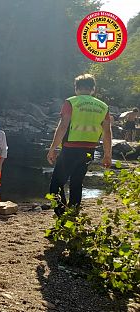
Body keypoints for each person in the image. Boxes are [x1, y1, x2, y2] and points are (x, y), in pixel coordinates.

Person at [47, 73, 112, 216]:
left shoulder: (71, 102)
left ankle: (61, 215)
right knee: (76, 183)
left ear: (76, 88)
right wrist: (107, 155)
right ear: (92, 89)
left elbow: (63, 126)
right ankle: (73, 214)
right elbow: (107, 132)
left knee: (56, 184)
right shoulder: (103, 106)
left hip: (70, 148)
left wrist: (53, 148)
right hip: (89, 150)